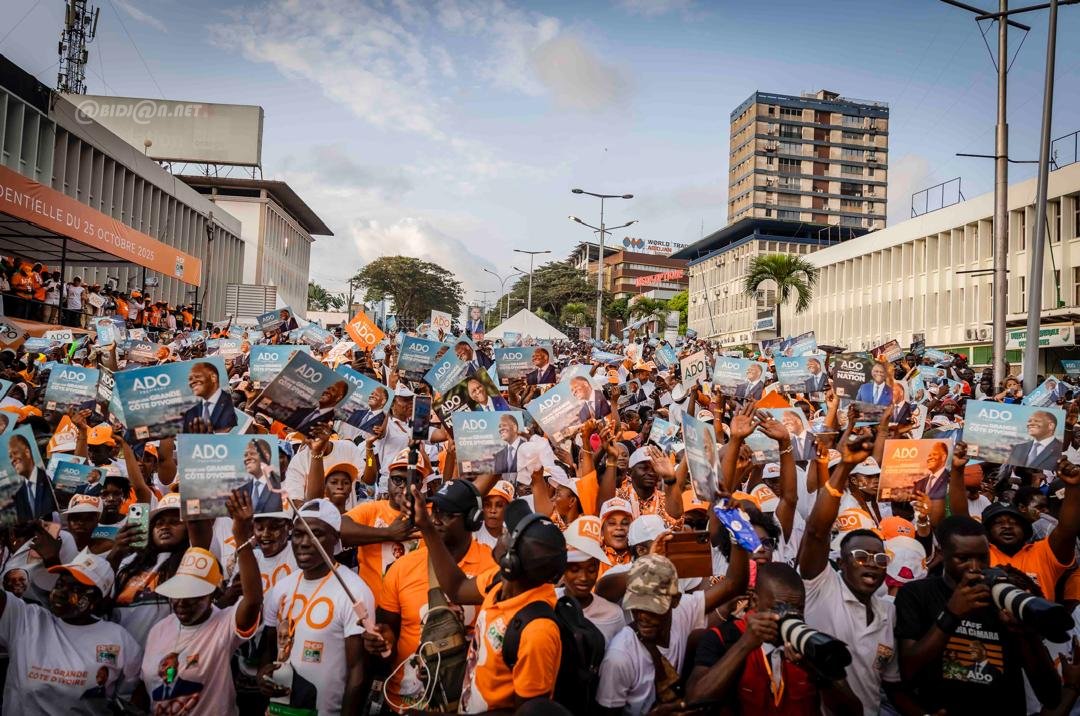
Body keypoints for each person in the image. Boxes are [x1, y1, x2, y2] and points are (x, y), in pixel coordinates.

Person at [894, 516, 1063, 713]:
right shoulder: (917, 594)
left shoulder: (1004, 596)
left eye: (982, 558)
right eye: (963, 559)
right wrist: (952, 613)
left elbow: (1051, 695)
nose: (974, 567)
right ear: (942, 553)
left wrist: (1025, 633)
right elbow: (908, 671)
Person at [417, 494, 566, 713]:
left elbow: (526, 711)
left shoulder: (538, 632)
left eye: (506, 534)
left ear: (512, 561)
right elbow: (457, 588)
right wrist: (426, 527)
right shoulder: (499, 582)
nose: (499, 536)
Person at [797, 424, 906, 715]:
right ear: (841, 563)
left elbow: (891, 686)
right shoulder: (823, 588)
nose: (871, 563)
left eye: (880, 559)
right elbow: (817, 532)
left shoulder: (888, 613)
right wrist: (844, 466)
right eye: (860, 556)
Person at [364, 479, 496, 709]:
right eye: (434, 511)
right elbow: (389, 633)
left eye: (447, 514)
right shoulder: (402, 567)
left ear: (472, 519)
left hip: (465, 703)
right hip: (404, 704)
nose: (435, 519)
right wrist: (381, 641)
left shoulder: (492, 567)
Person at [140, 490, 263, 714]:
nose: (183, 603)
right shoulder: (158, 630)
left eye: (194, 596)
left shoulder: (224, 625)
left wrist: (240, 536)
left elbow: (253, 601)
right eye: (177, 594)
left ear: (212, 595)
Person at [686, 562, 861, 715]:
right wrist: (745, 644)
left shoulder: (808, 642)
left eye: (797, 610)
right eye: (780, 608)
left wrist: (817, 673)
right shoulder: (723, 638)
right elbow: (695, 700)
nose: (789, 617)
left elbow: (853, 712)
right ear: (754, 601)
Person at [260, 499, 374, 715]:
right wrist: (262, 676)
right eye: (299, 533)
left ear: (336, 538)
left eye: (316, 534)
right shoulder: (282, 588)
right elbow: (269, 649)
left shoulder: (354, 591)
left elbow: (358, 672)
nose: (304, 542)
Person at [0, 548, 142, 711]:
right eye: (60, 584)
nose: (61, 593)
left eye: (75, 588)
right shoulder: (27, 620)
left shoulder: (120, 640)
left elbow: (126, 701)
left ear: (95, 599)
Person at [341, 448, 424, 601]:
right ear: (388, 480)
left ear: (421, 484)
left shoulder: (430, 516)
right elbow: (340, 530)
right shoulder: (372, 509)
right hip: (373, 608)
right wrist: (388, 533)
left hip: (414, 612)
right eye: (397, 479)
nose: (403, 486)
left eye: (412, 480)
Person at [10, 430, 57, 522]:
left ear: (27, 452)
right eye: (10, 457)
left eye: (15, 453)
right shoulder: (17, 490)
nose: (13, 460)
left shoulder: (47, 481)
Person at [182, 362, 237, 433]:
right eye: (190, 379)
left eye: (197, 376)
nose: (192, 382)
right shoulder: (190, 413)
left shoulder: (230, 406)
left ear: (213, 377)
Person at [242, 438, 283, 514]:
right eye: (245, 455)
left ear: (266, 456)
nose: (247, 458)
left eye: (252, 453)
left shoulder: (281, 487)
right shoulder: (241, 491)